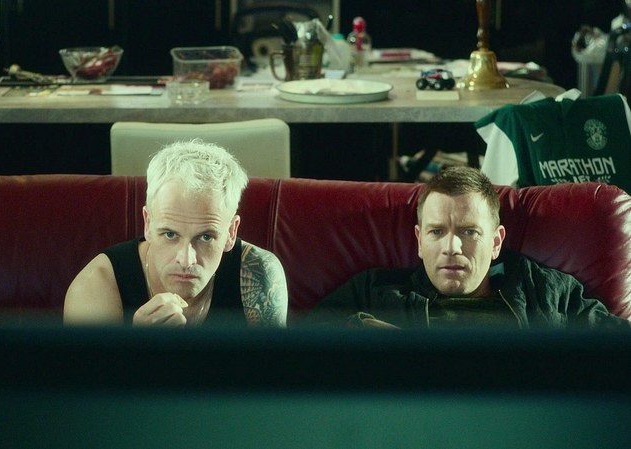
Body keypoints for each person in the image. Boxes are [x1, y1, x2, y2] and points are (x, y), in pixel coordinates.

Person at [309, 166, 629, 329]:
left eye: (469, 231)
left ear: (496, 242)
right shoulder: (375, 293)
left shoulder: (544, 292)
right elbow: (303, 351)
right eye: (437, 232)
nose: (452, 246)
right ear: (419, 240)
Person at [64, 139, 288, 327]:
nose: (186, 260)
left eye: (206, 237)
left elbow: (273, 366)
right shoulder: (95, 287)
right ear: (148, 224)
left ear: (231, 232)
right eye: (170, 235)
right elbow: (90, 369)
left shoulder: (260, 272)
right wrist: (137, 348)